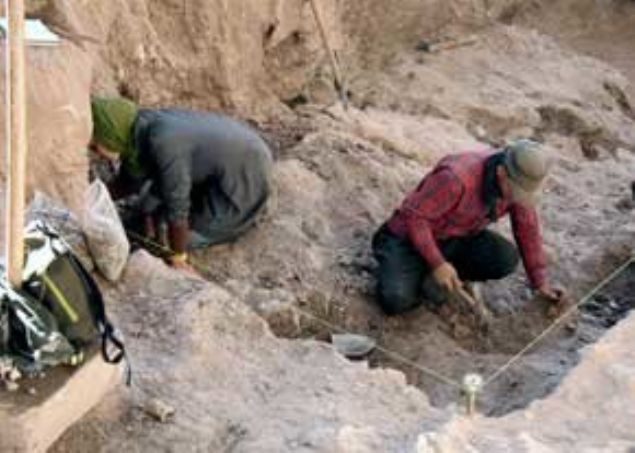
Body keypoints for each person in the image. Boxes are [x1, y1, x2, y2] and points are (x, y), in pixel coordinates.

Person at [372, 140, 564, 315]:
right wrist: (438, 263)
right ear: (501, 173)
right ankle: (424, 273)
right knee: (395, 300)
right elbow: (415, 218)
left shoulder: (518, 180)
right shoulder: (456, 178)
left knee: (505, 258)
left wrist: (540, 281)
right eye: (516, 191)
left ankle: (436, 278)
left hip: (456, 236)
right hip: (407, 239)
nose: (518, 197)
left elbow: (527, 227)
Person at [89, 97, 273, 271]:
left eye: (95, 146)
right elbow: (129, 182)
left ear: (111, 136)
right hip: (214, 168)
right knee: (144, 207)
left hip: (245, 177)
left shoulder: (163, 141)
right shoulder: (138, 128)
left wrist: (178, 256)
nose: (94, 152)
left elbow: (177, 204)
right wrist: (90, 197)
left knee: (166, 237)